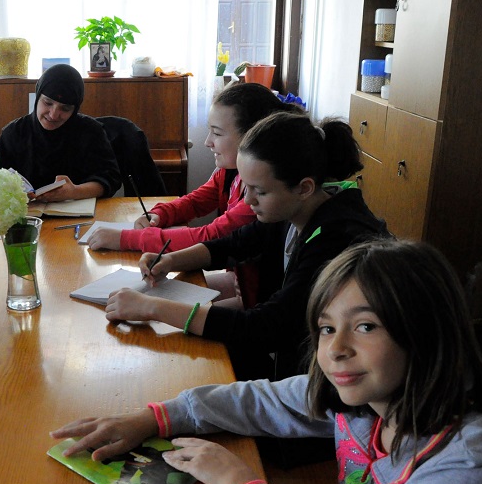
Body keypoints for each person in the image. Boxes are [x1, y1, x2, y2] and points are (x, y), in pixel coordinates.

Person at [52, 240, 482, 484]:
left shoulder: (474, 466)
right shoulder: (368, 401)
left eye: (365, 326)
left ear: (426, 333)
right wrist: (154, 417)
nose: (336, 349)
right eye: (327, 328)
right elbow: (263, 399)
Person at [106, 112, 389, 381]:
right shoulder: (294, 209)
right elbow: (236, 243)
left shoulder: (336, 241)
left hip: (321, 380)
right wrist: (170, 260)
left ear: (304, 187)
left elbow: (268, 326)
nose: (249, 200)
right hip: (290, 358)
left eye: (259, 191)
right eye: (247, 187)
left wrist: (153, 308)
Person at [86, 83, 303, 308]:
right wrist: (160, 214)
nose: (207, 141)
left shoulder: (259, 195)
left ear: (251, 137)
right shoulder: (229, 172)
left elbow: (210, 236)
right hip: (239, 282)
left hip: (256, 299)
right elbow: (195, 201)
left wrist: (127, 239)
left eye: (217, 133)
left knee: (164, 312)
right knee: (151, 296)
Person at [0, 64, 121, 202]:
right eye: (48, 103)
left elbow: (110, 178)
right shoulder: (13, 134)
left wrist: (74, 192)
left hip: (78, 212)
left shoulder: (91, 132)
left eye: (65, 109)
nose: (53, 115)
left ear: (75, 109)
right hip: (27, 213)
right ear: (37, 97)